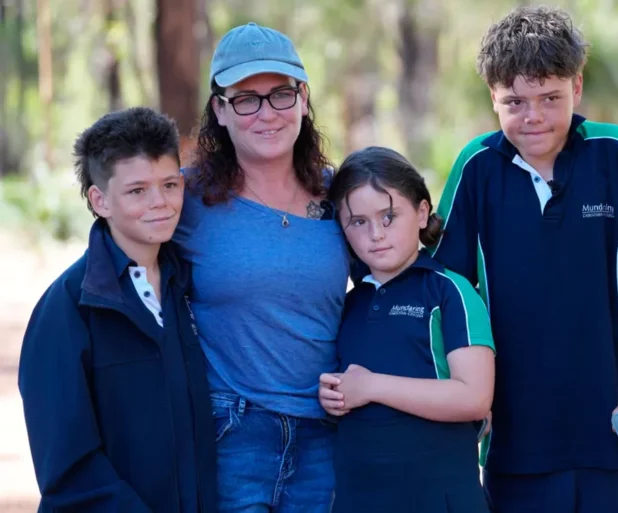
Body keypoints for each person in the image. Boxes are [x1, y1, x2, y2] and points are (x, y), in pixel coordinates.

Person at [430, 6, 618, 513]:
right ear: (493, 98)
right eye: (515, 102)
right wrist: (460, 398)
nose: (534, 116)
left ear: (578, 87)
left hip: (613, 424)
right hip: (514, 436)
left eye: (551, 98)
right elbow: (448, 292)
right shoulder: (475, 168)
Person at [174, 22, 350, 512]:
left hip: (328, 435)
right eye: (246, 99)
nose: (266, 113)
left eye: (280, 95)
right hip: (231, 432)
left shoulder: (344, 194)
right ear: (220, 110)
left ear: (303, 98)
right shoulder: (186, 199)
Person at [17, 107, 217, 512]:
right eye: (137, 191)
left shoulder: (189, 289)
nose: (160, 203)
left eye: (169, 184)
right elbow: (67, 469)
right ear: (100, 199)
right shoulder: (68, 309)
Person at [318, 146, 495, 513]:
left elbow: (475, 397)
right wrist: (334, 397)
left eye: (389, 217)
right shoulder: (348, 303)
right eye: (358, 222)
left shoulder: (451, 292)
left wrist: (371, 386)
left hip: (441, 499)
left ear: (421, 212)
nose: (375, 234)